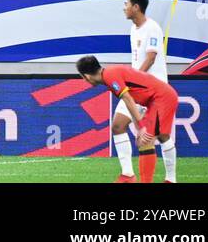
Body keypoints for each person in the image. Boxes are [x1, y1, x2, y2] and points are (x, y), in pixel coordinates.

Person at [76, 55, 179, 184]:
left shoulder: (110, 76)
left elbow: (128, 100)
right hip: (157, 98)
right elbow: (131, 101)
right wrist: (138, 126)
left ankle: (152, 180)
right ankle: (167, 179)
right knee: (160, 136)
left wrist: (141, 127)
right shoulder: (109, 74)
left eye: (82, 77)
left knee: (145, 141)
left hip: (161, 98)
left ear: (87, 76)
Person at [111, 0, 176, 183]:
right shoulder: (134, 29)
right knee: (117, 125)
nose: (124, 7)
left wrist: (132, 80)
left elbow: (151, 57)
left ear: (136, 7)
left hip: (155, 91)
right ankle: (128, 175)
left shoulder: (152, 28)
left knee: (161, 136)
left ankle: (171, 179)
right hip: (137, 89)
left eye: (126, 4)